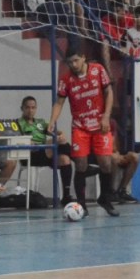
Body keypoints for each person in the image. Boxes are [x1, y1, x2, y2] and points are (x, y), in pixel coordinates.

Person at [48, 47, 120, 217]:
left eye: (76, 60)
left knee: (106, 163)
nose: (73, 65)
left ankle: (105, 198)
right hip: (80, 126)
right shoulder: (66, 79)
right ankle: (81, 204)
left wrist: (106, 116)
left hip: (100, 125)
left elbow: (108, 92)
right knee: (80, 164)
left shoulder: (98, 70)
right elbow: (59, 102)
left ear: (83, 57)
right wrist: (52, 121)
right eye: (70, 62)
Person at [16, 95, 75, 205]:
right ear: (22, 108)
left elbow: (57, 131)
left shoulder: (40, 122)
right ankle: (77, 157)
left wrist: (61, 134)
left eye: (33, 107)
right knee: (54, 142)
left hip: (46, 154)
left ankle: (66, 196)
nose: (30, 110)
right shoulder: (17, 123)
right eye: (27, 107)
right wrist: (28, 142)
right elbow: (16, 139)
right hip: (30, 154)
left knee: (65, 159)